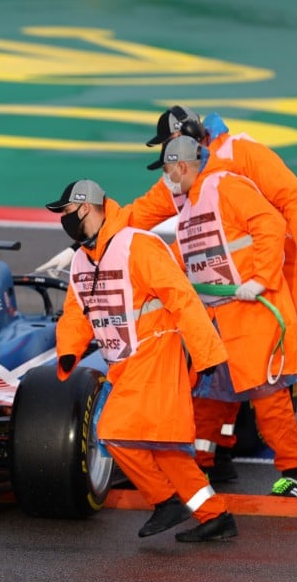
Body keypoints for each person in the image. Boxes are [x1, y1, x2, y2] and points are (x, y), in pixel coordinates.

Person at [145, 105, 297, 483]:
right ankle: (220, 455)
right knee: (224, 380)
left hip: (287, 274)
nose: (167, 156)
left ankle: (278, 468)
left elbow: (291, 197)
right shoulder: (187, 178)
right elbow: (145, 213)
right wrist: (97, 238)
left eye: (170, 145)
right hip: (235, 295)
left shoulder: (241, 153)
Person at [49, 179, 237, 542]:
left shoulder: (138, 245)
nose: (63, 218)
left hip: (155, 351)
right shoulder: (81, 260)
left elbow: (182, 299)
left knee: (112, 430)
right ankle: (216, 516)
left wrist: (205, 352)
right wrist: (69, 349)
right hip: (125, 361)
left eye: (66, 211)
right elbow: (76, 313)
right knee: (162, 445)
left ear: (85, 207)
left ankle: (165, 501)